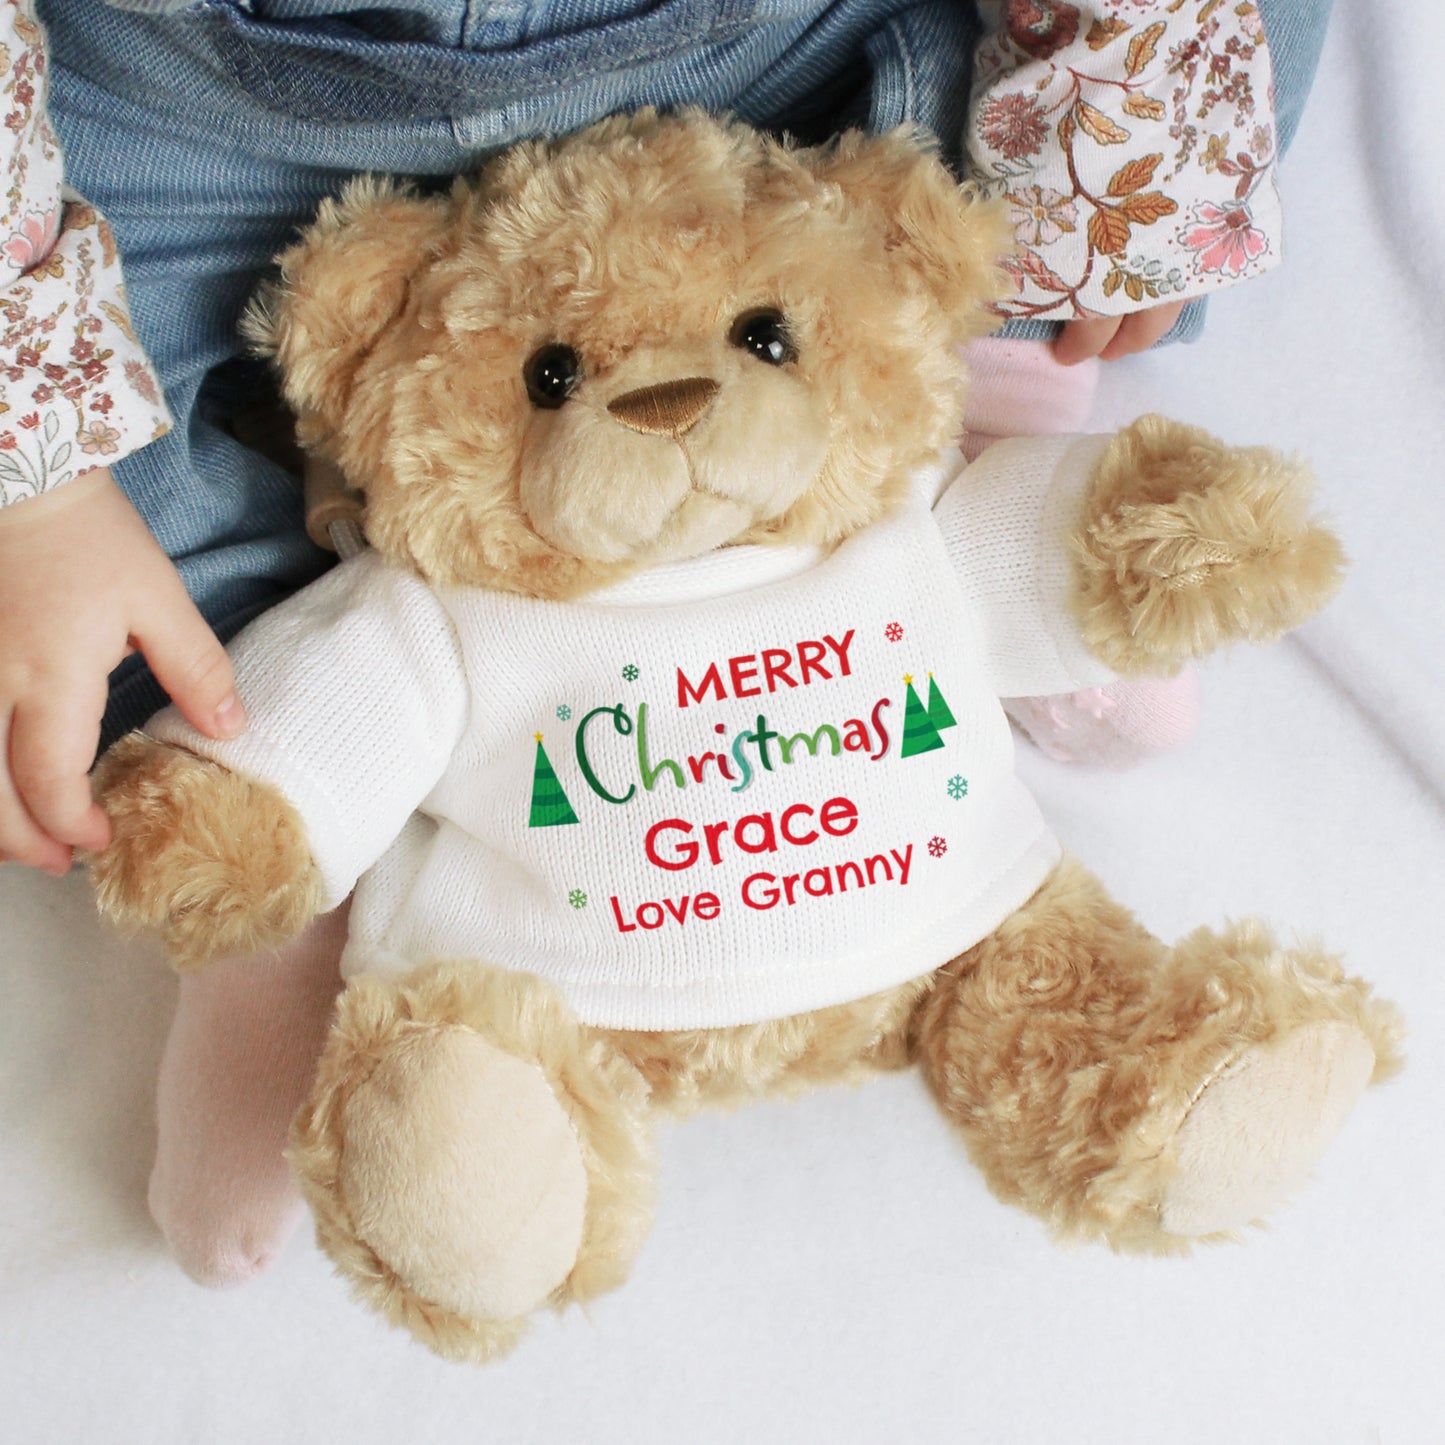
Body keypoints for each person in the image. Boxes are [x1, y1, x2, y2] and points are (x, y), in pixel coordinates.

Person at [0, 0, 1332, 1281]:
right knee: (99, 624)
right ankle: (300, 838)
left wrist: (1132, 79)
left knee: (1195, 79)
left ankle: (986, 436)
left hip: (780, 59)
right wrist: (39, 482)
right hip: (204, 122)